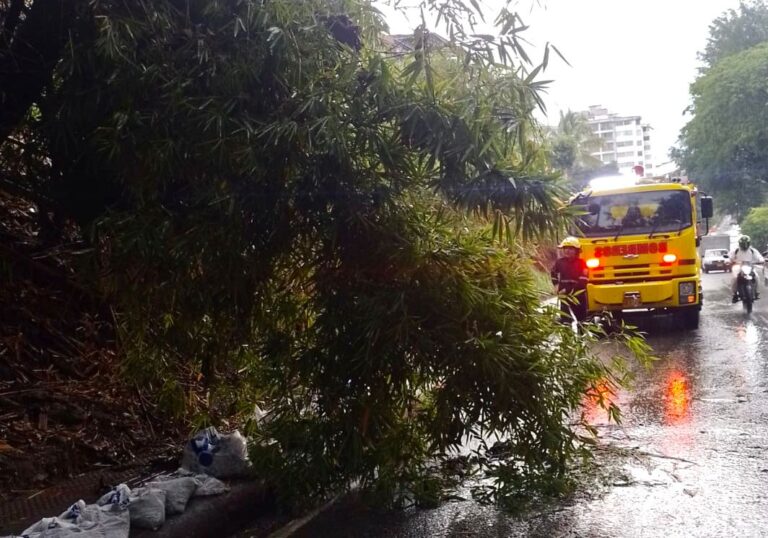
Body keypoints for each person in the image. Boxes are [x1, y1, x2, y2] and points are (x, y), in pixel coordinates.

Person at [551, 236, 589, 323]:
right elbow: (553, 274)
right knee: (565, 320)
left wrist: (567, 290)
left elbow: (583, 282)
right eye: (565, 248)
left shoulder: (582, 263)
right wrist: (556, 285)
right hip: (564, 296)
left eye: (570, 249)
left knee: (582, 321)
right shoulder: (559, 262)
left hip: (579, 296)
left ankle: (582, 336)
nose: (567, 251)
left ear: (577, 251)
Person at [730, 235, 765, 303]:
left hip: (749, 266)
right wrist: (729, 260)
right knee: (734, 278)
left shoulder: (752, 250)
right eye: (743, 243)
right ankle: (734, 294)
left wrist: (761, 260)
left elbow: (759, 257)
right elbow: (730, 257)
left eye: (746, 243)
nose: (745, 245)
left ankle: (756, 292)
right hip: (738, 266)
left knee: (757, 277)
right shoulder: (736, 250)